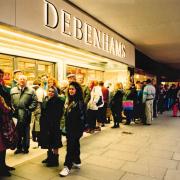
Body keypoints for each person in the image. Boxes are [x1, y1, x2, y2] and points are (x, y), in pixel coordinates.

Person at [59, 82, 86, 177]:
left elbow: (82, 117)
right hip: (69, 127)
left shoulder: (79, 102)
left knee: (70, 147)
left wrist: (80, 130)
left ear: (77, 90)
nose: (70, 90)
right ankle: (77, 161)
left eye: (73, 89)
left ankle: (67, 166)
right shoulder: (69, 100)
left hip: (76, 128)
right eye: (69, 89)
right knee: (75, 145)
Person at [11, 75, 38, 154]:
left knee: (26, 132)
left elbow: (34, 101)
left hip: (26, 114)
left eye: (24, 79)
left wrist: (29, 109)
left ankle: (25, 148)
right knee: (17, 132)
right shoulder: (13, 90)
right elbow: (11, 101)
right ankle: (18, 148)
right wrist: (12, 109)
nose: (22, 80)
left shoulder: (31, 90)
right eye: (20, 79)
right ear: (18, 81)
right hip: (16, 115)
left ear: (26, 81)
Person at [39, 86, 65, 167]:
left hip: (54, 125)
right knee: (48, 141)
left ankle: (55, 160)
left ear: (56, 93)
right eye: (49, 91)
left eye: (52, 91)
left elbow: (58, 114)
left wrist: (52, 122)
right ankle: (49, 157)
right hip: (46, 124)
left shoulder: (58, 101)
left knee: (55, 142)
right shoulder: (46, 100)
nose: (50, 93)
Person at [0, 69, 15, 177]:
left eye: (1, 76)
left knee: (4, 145)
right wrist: (8, 109)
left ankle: (3, 165)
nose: (1, 78)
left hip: (4, 119)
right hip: (2, 118)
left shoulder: (3, 86)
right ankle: (2, 168)